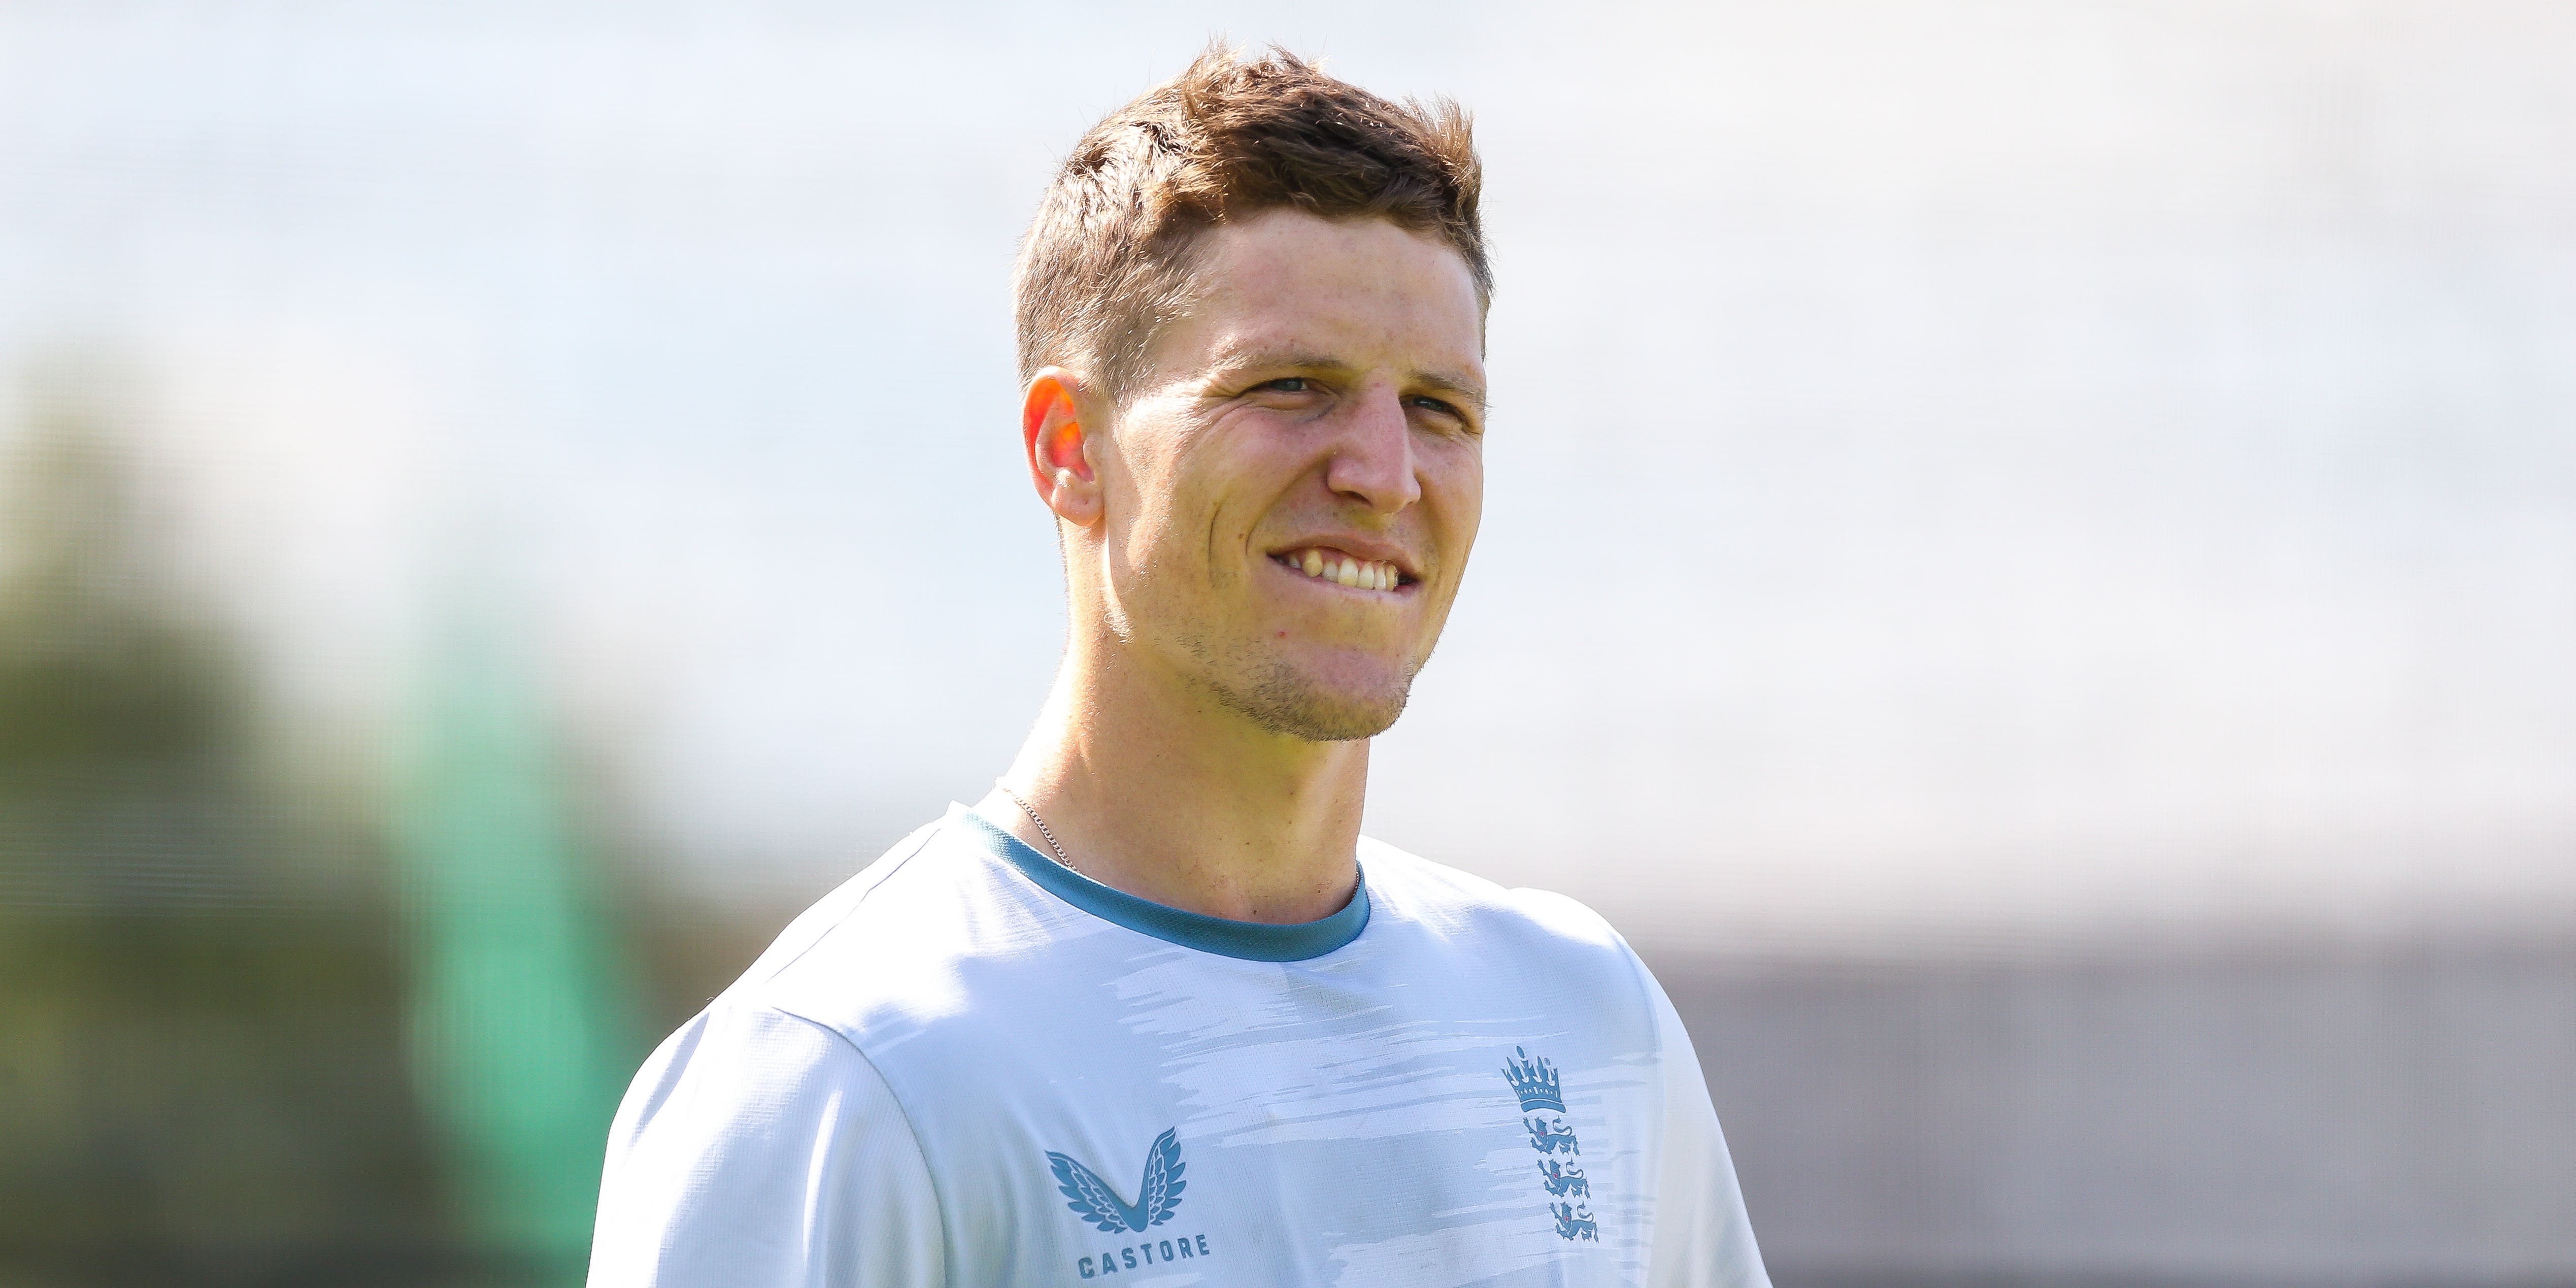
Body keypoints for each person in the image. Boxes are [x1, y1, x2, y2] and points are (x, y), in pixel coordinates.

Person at [587, 46, 1769, 1288]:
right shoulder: (839, 1076)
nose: (1384, 474)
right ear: (1068, 448)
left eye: (1439, 409)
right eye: (1290, 386)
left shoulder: (1589, 1023)